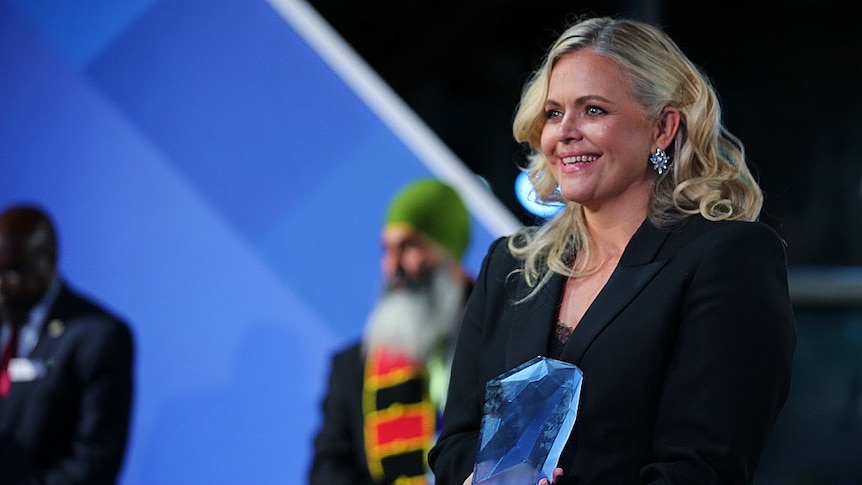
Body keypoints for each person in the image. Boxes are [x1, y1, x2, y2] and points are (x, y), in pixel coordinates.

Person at [429, 16, 796, 485]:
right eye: (554, 113)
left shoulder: (728, 257)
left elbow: (704, 468)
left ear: (662, 128)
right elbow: (459, 442)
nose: (566, 131)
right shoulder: (511, 264)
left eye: (594, 110)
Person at [309, 178, 474, 485]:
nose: (391, 266)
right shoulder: (353, 368)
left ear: (447, 250)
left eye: (408, 246)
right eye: (387, 249)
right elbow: (328, 474)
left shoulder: (501, 334)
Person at [0, 204, 134, 484]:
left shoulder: (98, 337)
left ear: (47, 258)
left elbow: (96, 461)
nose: (2, 285)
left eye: (13, 272)